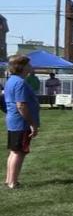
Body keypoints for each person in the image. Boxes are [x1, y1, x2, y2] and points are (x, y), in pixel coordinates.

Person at [4, 55, 40, 189]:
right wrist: (32, 124)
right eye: (29, 65)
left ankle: (9, 179)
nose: (31, 67)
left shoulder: (11, 80)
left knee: (14, 151)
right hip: (21, 122)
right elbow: (21, 105)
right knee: (19, 152)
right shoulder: (20, 82)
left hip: (14, 121)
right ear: (22, 67)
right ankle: (13, 182)